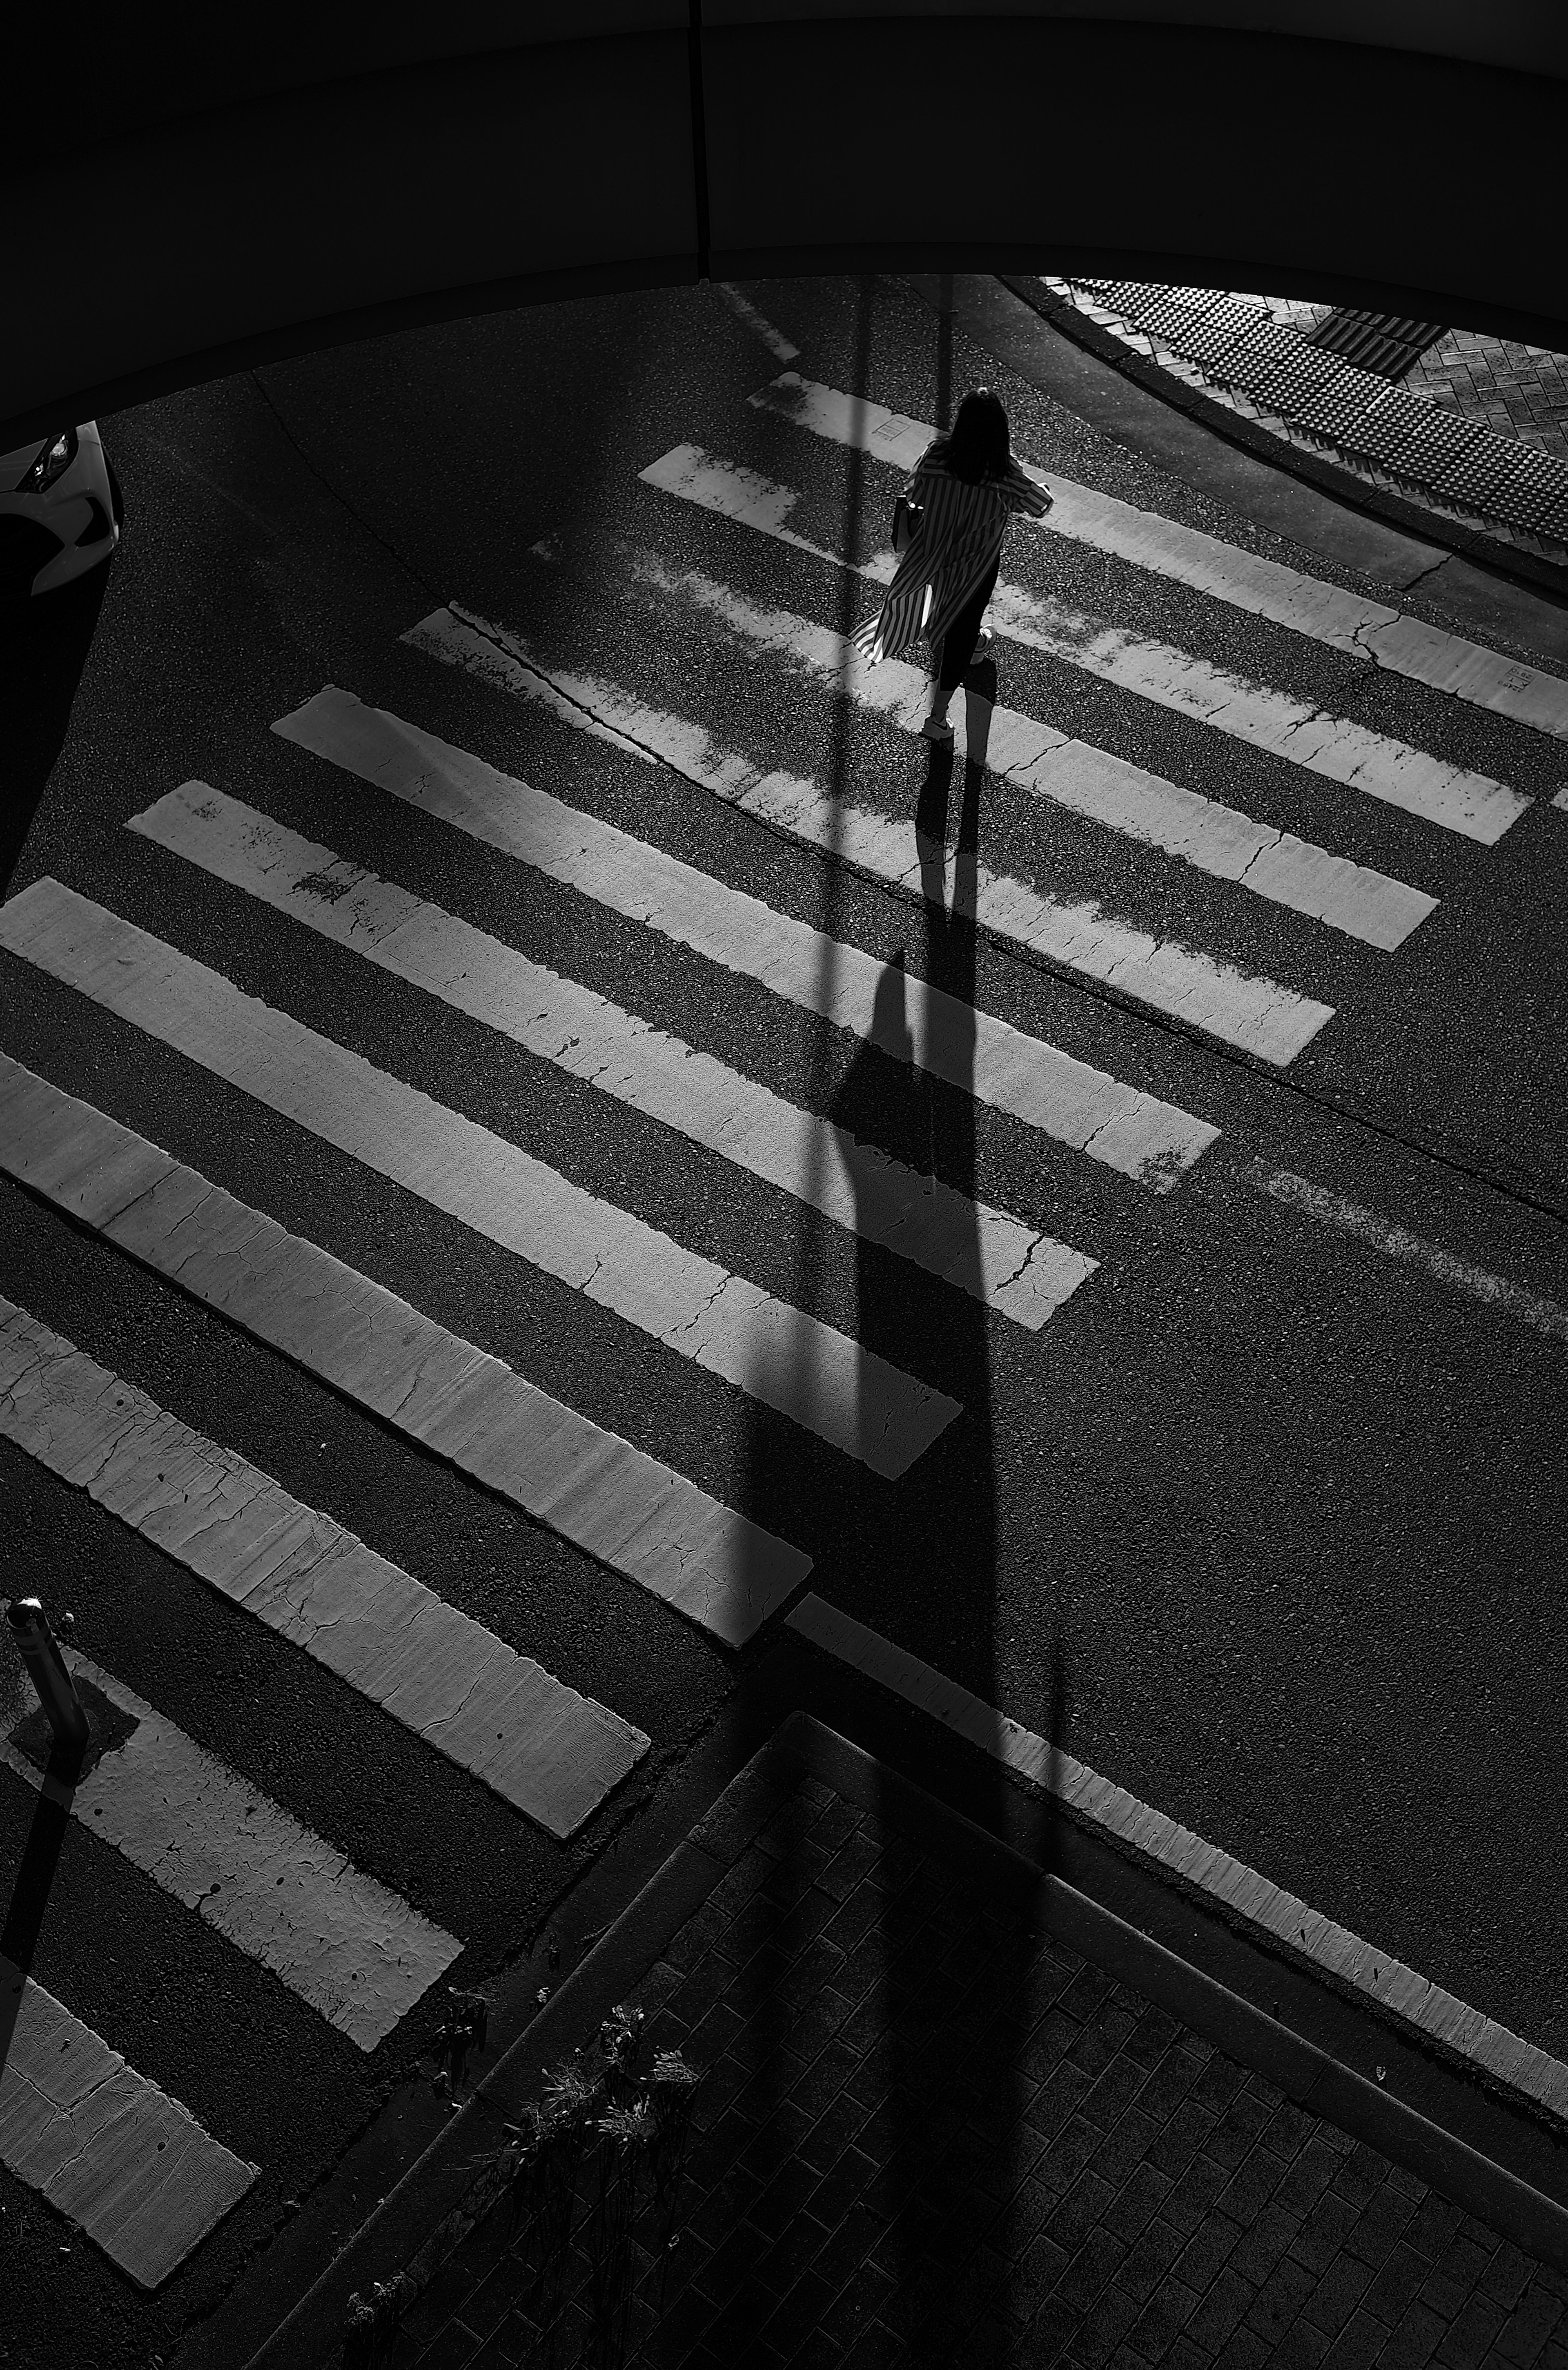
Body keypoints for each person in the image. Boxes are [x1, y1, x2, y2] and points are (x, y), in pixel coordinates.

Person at [852, 386, 1051, 741]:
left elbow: (913, 494)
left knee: (934, 607)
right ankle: (938, 716)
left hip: (928, 556)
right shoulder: (1006, 474)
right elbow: (1041, 506)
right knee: (960, 630)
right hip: (975, 567)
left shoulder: (936, 456)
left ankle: (972, 642)